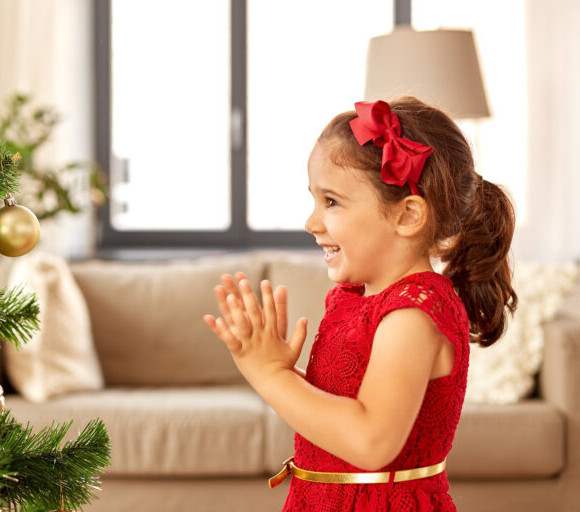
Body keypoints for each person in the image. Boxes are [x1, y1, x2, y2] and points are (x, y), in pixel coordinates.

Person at [203, 97, 517, 511]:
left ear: (407, 216)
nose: (311, 222)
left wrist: (270, 377)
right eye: (314, 200)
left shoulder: (412, 313)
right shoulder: (357, 299)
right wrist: (280, 370)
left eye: (331, 202)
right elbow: (347, 405)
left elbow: (371, 441)